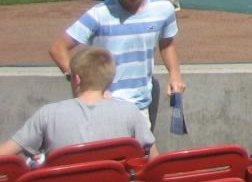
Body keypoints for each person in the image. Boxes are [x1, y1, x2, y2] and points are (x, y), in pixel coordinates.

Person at [48, 0, 184, 128]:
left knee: (141, 153)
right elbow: (58, 48)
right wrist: (78, 80)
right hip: (101, 106)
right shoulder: (99, 14)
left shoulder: (163, 10)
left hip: (139, 104)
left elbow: (166, 44)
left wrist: (175, 74)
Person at [1, 46, 156, 161]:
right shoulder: (130, 112)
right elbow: (154, 161)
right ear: (109, 81)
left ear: (77, 79)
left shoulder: (48, 114)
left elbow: (5, 154)